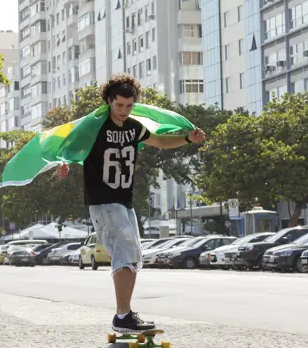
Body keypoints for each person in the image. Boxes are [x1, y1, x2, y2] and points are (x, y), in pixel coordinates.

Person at [56, 73, 205, 332]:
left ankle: (125, 314)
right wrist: (64, 165)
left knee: (134, 256)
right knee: (124, 253)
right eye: (119, 105)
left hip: (124, 201)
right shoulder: (95, 127)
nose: (124, 111)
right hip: (103, 201)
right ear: (109, 102)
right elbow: (70, 149)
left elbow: (159, 141)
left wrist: (187, 139)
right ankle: (122, 317)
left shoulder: (134, 127)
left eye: (129, 105)